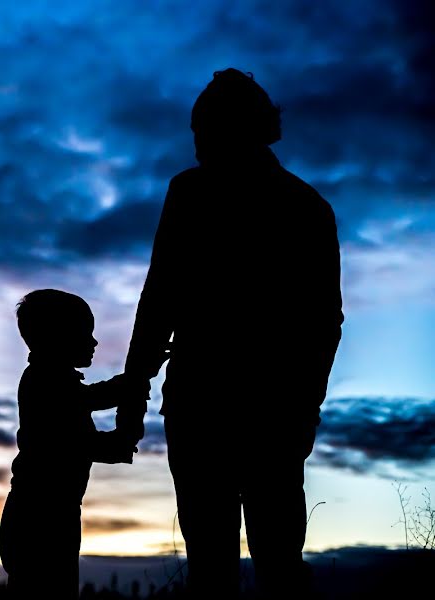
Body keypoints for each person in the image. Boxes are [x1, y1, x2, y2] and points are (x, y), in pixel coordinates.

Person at [121, 69, 344, 599]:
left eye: (205, 131)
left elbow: (160, 298)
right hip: (259, 405)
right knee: (265, 558)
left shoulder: (194, 193)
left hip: (223, 402)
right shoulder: (307, 204)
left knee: (233, 562)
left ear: (237, 129)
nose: (197, 144)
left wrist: (135, 388)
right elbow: (324, 323)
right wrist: (305, 405)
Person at [0, 289, 146, 599]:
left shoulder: (54, 382)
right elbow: (80, 433)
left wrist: (126, 392)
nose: (94, 342)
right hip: (41, 517)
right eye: (85, 333)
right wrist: (129, 386)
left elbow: (84, 418)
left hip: (50, 512)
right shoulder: (44, 381)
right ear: (57, 337)